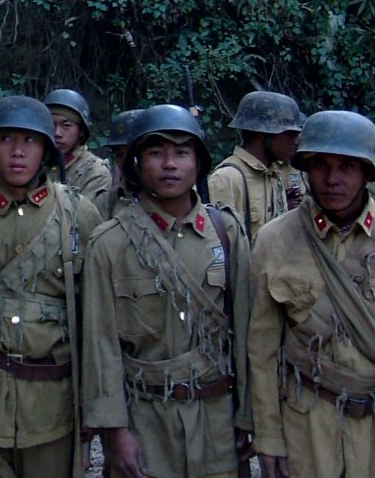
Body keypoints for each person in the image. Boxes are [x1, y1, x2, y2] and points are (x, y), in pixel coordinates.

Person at [0, 95, 102, 478]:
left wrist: (94, 404)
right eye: (6, 139)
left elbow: (95, 323)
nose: (17, 151)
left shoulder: (78, 215)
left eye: (29, 140)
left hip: (54, 404)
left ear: (45, 148)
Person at [82, 104, 251, 478]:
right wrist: (116, 433)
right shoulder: (109, 244)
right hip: (146, 421)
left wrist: (248, 415)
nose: (169, 164)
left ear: (199, 163)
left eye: (181, 152)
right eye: (156, 153)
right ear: (138, 164)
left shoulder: (225, 233)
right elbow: (101, 346)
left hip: (216, 421)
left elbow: (247, 332)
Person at [249, 110, 375, 478]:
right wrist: (269, 437)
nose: (332, 179)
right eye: (320, 164)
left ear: (367, 173)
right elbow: (261, 351)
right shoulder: (275, 239)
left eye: (347, 166)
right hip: (307, 428)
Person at [208, 91, 303, 244]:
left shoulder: (273, 175)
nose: (296, 142)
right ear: (262, 133)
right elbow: (217, 245)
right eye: (289, 134)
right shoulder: (227, 179)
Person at [45, 88, 111, 213]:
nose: (57, 133)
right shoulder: (36, 164)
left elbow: (91, 222)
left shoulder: (95, 172)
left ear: (81, 131)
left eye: (66, 125)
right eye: (52, 125)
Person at [99, 108, 142, 220]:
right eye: (120, 154)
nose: (127, 161)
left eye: (134, 154)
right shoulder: (109, 199)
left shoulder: (176, 196)